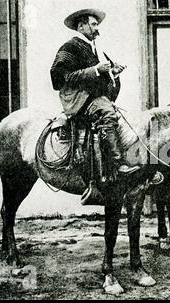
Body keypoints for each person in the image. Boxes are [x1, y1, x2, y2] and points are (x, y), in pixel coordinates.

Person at [50, 8, 140, 181]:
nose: (97, 28)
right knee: (108, 114)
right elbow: (59, 77)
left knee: (117, 116)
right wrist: (95, 70)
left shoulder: (95, 49)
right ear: (81, 26)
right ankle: (117, 164)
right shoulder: (70, 47)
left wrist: (113, 72)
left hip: (95, 98)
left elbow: (102, 76)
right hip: (79, 98)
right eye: (93, 24)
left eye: (97, 24)